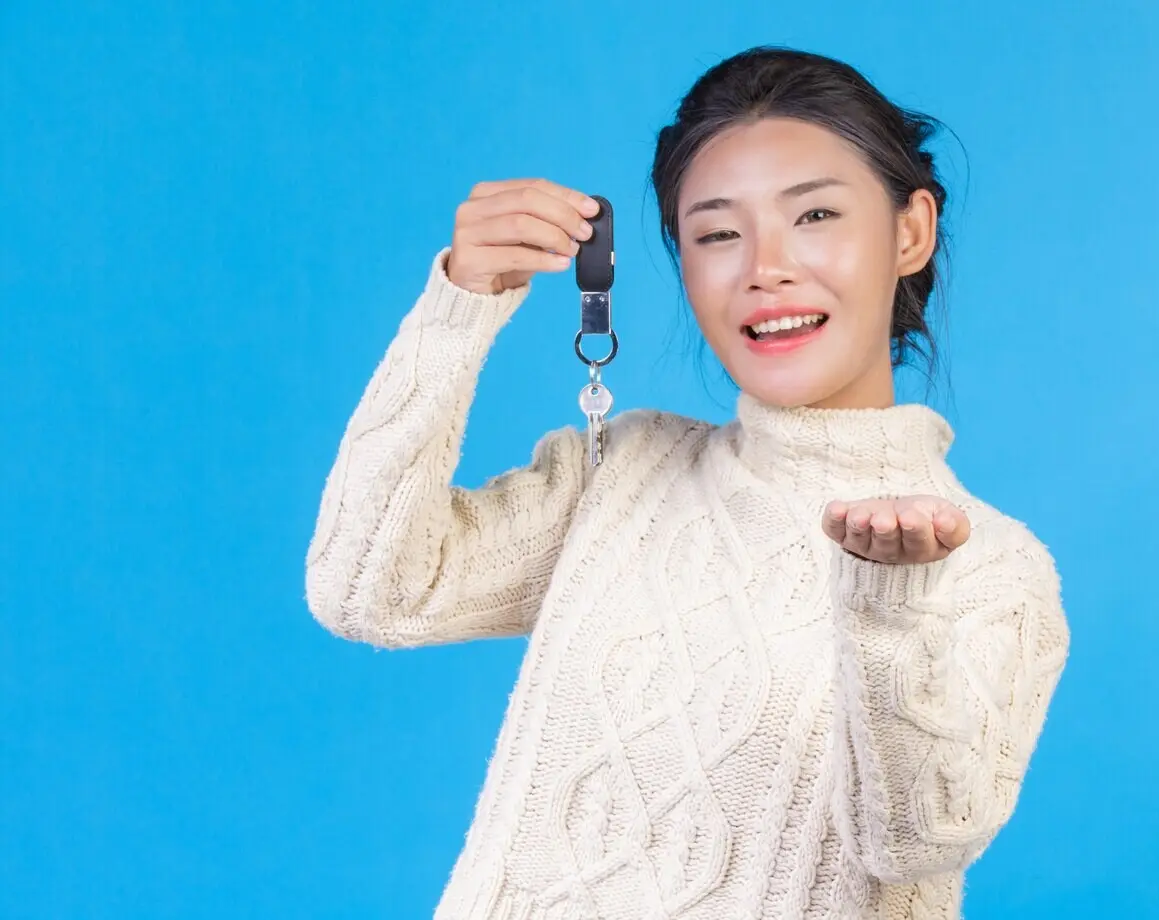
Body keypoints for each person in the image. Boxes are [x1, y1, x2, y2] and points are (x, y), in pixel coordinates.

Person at [305, 45, 1070, 920]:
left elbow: (916, 840)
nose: (764, 268)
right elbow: (370, 590)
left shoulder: (995, 569)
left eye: (814, 214)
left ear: (911, 232)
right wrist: (460, 308)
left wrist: (889, 608)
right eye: (715, 233)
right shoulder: (627, 471)